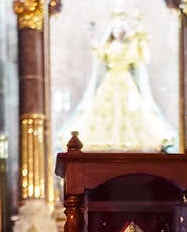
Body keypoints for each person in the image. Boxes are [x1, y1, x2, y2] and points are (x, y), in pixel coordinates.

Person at [60, 11, 176, 151]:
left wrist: (139, 33)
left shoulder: (129, 47)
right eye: (116, 29)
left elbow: (138, 57)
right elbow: (100, 53)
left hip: (125, 80)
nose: (118, 32)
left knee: (129, 110)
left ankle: (128, 143)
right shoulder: (108, 46)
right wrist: (92, 38)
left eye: (121, 29)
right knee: (105, 110)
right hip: (110, 80)